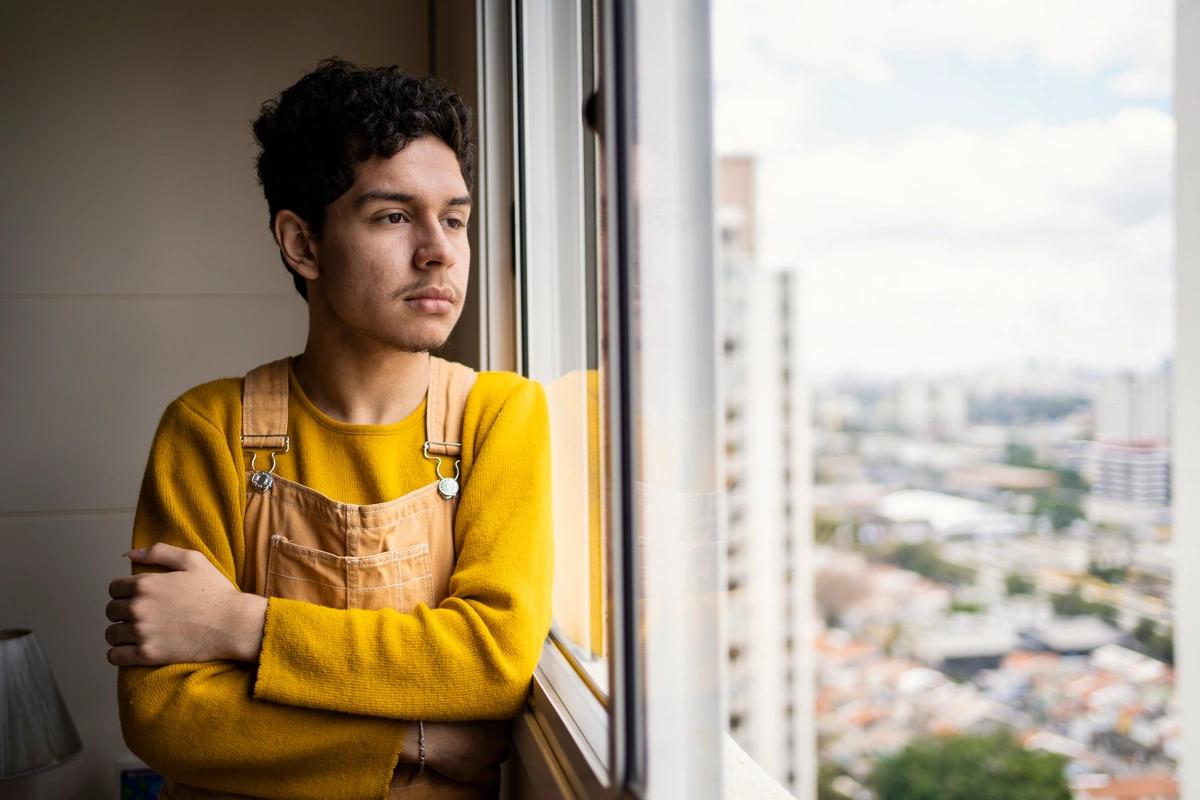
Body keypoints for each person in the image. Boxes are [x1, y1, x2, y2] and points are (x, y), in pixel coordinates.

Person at [103, 58, 553, 800]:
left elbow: (489, 659)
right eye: (394, 216)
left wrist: (240, 625)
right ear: (303, 244)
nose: (439, 250)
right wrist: (411, 740)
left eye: (455, 218)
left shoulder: (498, 415)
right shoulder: (208, 427)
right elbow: (166, 714)